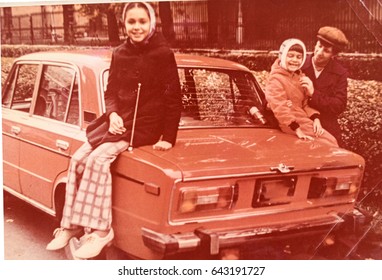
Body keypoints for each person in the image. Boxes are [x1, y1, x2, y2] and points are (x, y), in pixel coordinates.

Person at [46, 1, 182, 259]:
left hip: (144, 127)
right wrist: (113, 113)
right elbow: (111, 93)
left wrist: (168, 138)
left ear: (152, 23)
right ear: (124, 24)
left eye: (142, 21)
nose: (137, 27)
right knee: (77, 158)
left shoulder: (164, 54)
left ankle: (101, 230)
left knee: (97, 159)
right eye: (132, 22)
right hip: (119, 122)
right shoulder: (119, 53)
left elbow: (173, 98)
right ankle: (71, 225)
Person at [265, 38, 338, 146]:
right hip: (290, 124)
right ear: (282, 55)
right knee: (325, 145)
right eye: (290, 55)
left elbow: (305, 103)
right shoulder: (275, 79)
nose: (295, 60)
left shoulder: (300, 77)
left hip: (304, 120)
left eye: (299, 57)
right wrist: (298, 131)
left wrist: (316, 119)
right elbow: (280, 108)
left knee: (331, 141)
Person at [300, 26, 349, 146]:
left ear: (333, 55)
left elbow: (339, 105)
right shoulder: (298, 64)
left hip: (326, 126)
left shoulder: (340, 72)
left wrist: (314, 94)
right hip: (299, 123)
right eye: (319, 46)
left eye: (326, 51)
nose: (319, 52)